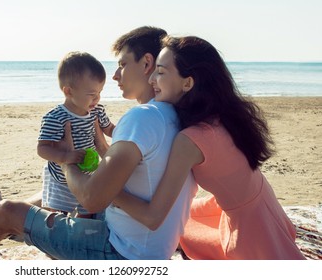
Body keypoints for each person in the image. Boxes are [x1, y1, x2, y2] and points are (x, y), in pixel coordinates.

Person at [0, 26, 197, 260]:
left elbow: (91, 199)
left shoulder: (142, 118)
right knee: (43, 195)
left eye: (121, 64)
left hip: (122, 251)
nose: (115, 76)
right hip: (150, 243)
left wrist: (66, 159)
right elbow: (129, 177)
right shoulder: (173, 115)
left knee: (11, 210)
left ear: (145, 64)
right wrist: (98, 151)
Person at [112, 35, 306, 260]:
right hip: (260, 201)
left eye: (161, 72)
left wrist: (111, 193)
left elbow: (154, 217)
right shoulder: (219, 114)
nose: (152, 79)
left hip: (250, 225)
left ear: (188, 83)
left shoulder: (190, 139)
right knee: (188, 221)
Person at [37, 51, 115, 218]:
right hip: (59, 178)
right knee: (57, 216)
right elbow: (42, 149)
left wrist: (126, 134)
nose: (97, 99)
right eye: (92, 94)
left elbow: (109, 129)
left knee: (86, 212)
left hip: (88, 173)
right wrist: (65, 157)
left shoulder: (97, 111)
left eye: (100, 93)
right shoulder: (56, 117)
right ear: (69, 92)